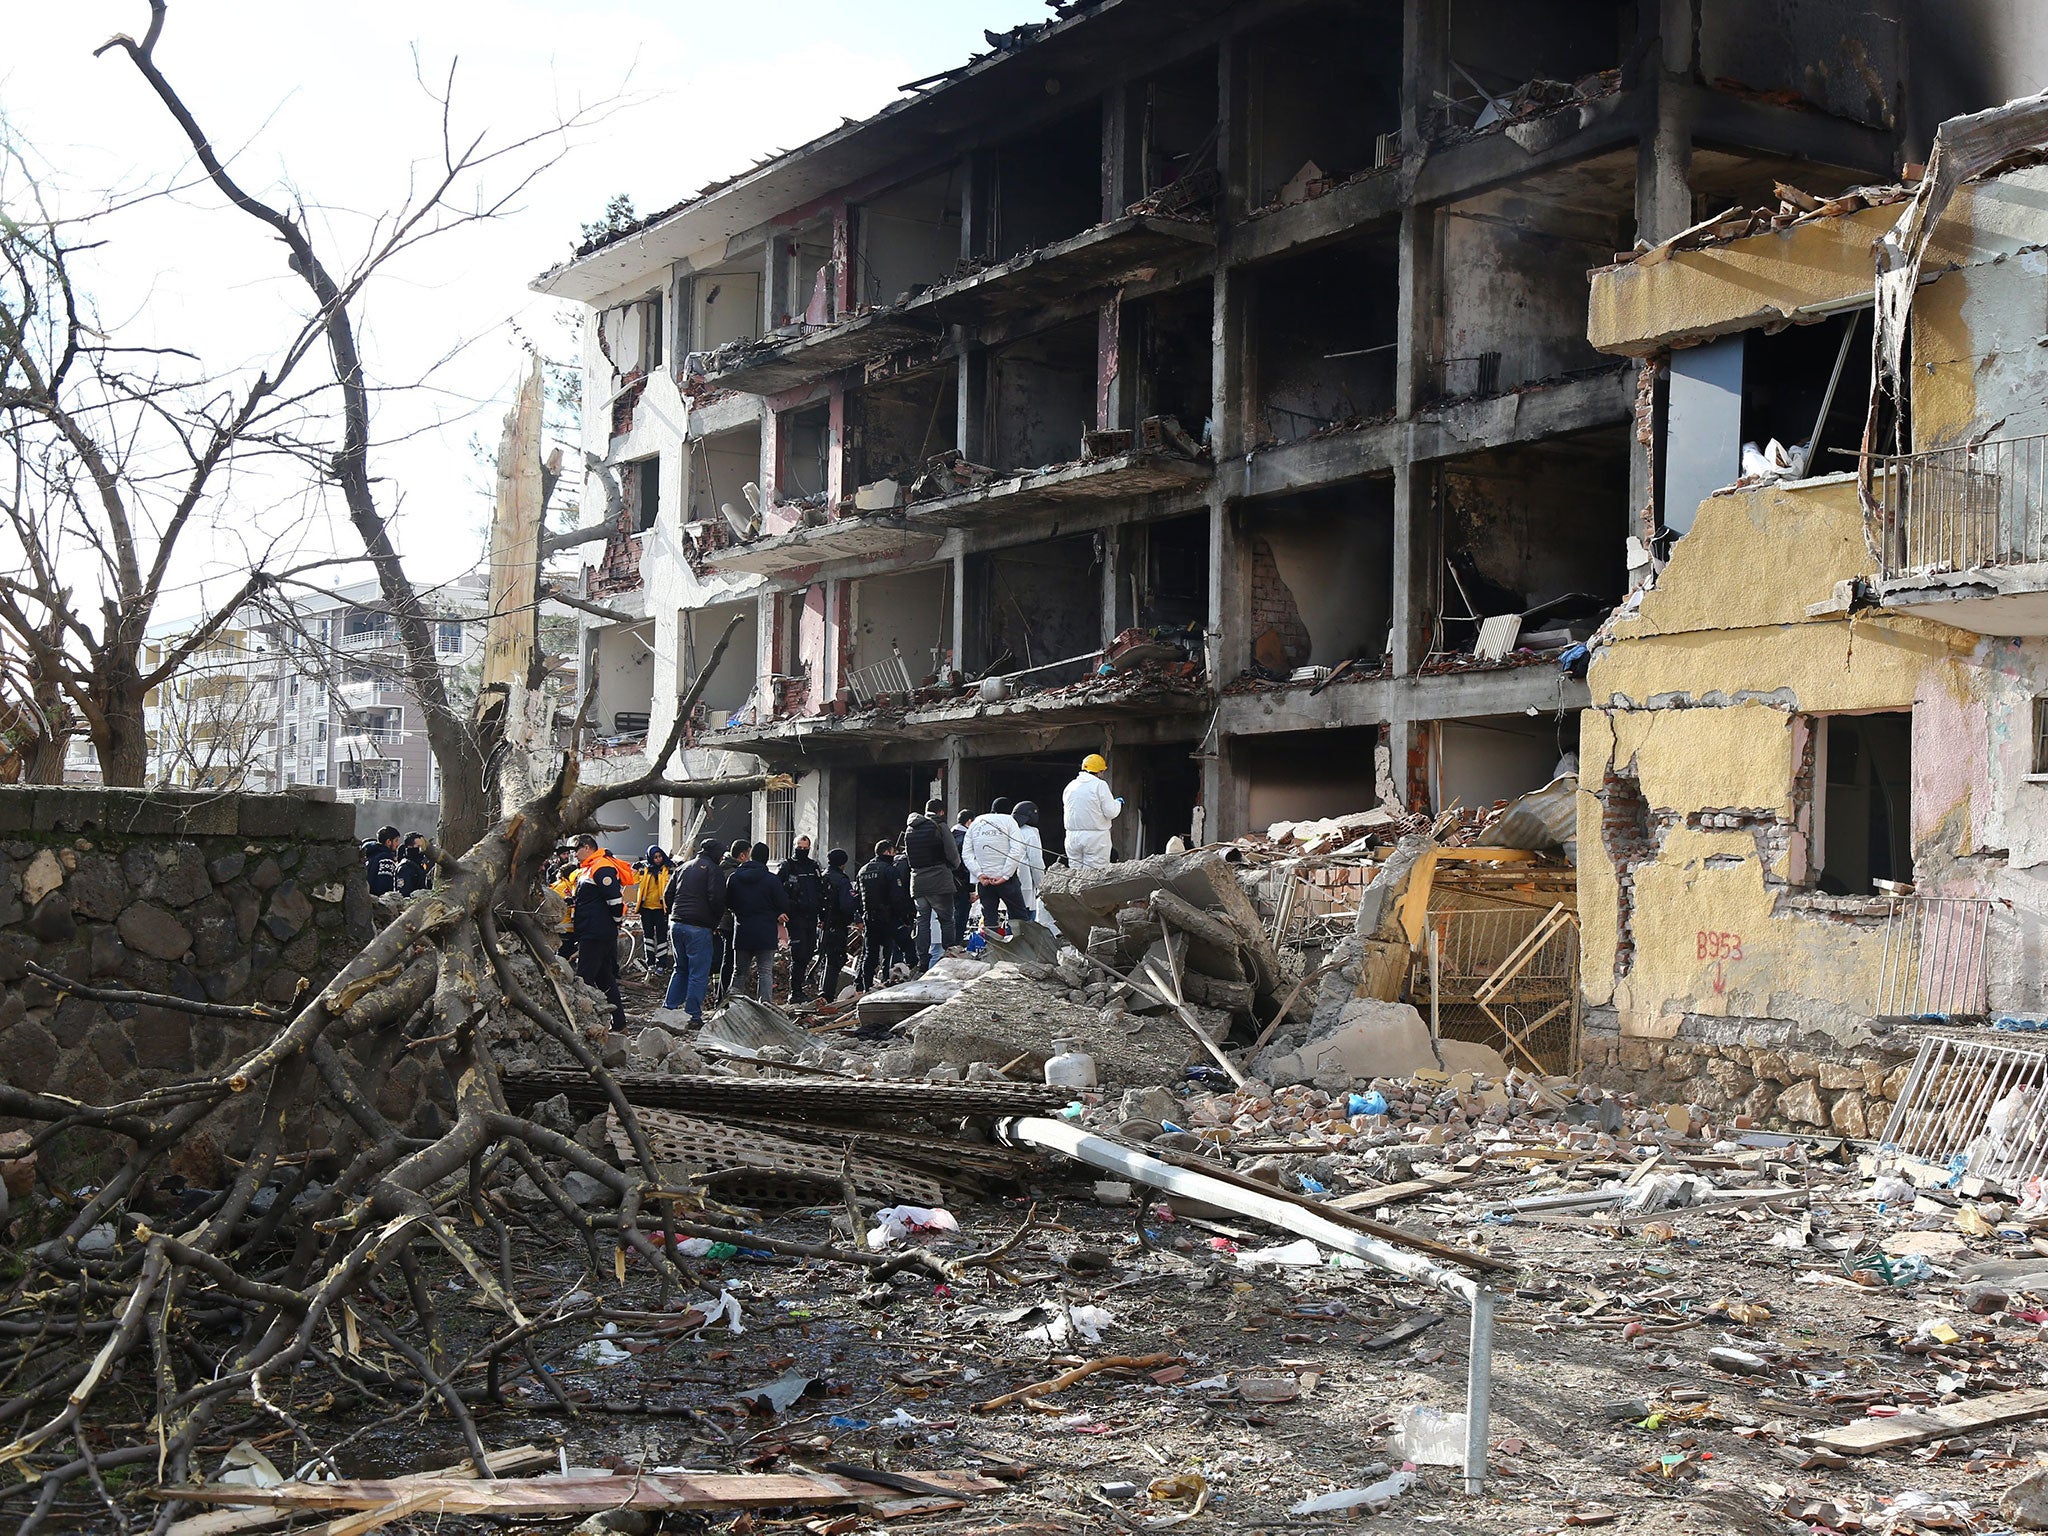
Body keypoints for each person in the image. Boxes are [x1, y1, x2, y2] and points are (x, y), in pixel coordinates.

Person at [660, 838, 726, 1024]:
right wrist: (714, 922)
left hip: (676, 924)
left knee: (680, 968)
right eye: (721, 853)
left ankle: (669, 1009)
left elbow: (667, 894)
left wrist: (673, 913)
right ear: (715, 853)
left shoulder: (683, 867)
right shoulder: (713, 870)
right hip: (699, 927)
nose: (722, 857)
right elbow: (717, 899)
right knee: (699, 972)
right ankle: (692, 1015)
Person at [569, 833, 630, 1029]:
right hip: (594, 929)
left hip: (596, 932)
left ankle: (584, 1022)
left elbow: (613, 899)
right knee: (604, 977)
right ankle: (619, 1022)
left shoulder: (601, 866)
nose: (574, 855)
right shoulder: (589, 868)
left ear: (587, 847)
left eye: (576, 849)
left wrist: (616, 920)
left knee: (585, 977)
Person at [902, 798, 963, 965]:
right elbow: (952, 853)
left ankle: (923, 960)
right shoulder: (939, 825)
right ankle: (949, 955)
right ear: (941, 811)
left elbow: (909, 857)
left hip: (918, 881)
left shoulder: (910, 828)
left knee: (922, 921)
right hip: (939, 880)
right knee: (946, 919)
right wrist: (954, 867)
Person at [724, 840, 786, 1003]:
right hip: (766, 932)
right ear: (766, 859)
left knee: (739, 972)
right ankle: (764, 1007)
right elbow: (782, 903)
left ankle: (732, 1006)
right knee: (764, 972)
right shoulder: (771, 880)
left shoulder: (734, 878)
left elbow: (728, 903)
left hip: (742, 931)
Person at [963, 797, 1027, 934]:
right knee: (1019, 918)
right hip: (1007, 882)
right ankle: (1017, 951)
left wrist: (979, 874)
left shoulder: (976, 823)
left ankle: (992, 951)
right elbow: (1017, 850)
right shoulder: (1009, 821)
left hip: (984, 882)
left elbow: (966, 854)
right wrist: (1005, 875)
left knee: (989, 921)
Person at [777, 836, 825, 1003]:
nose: (803, 850)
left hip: (811, 917)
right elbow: (777, 890)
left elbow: (820, 889)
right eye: (800, 847)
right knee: (798, 954)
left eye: (806, 848)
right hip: (795, 917)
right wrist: (780, 912)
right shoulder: (787, 866)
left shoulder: (813, 866)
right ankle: (795, 991)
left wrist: (822, 914)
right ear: (794, 846)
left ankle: (801, 987)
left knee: (808, 951)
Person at [1062, 752, 1123, 869]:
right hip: (1095, 838)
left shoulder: (1070, 786)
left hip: (1072, 838)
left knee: (1076, 875)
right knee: (1094, 876)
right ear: (1100, 771)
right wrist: (1118, 803)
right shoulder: (1099, 785)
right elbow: (1111, 812)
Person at [857, 840, 904, 991]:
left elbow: (857, 896)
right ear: (888, 852)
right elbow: (897, 897)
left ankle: (866, 986)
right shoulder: (890, 870)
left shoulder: (863, 870)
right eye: (893, 852)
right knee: (889, 950)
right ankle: (886, 981)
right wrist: (902, 916)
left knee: (869, 953)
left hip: (869, 917)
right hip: (887, 917)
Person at [819, 848, 858, 1002]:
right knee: (835, 960)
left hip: (823, 925)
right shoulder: (842, 881)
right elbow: (847, 905)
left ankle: (823, 992)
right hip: (837, 925)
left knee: (826, 958)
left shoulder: (822, 877)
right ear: (843, 863)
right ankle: (827, 995)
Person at [1012, 800, 1048, 924]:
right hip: (1024, 882)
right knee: (1027, 920)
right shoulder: (1031, 833)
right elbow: (1036, 861)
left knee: (1010, 918)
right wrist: (1041, 885)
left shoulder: (1007, 830)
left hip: (1005, 881)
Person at [638, 847, 672, 970]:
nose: (658, 859)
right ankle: (650, 963)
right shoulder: (645, 870)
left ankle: (661, 964)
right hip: (646, 908)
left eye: (659, 856)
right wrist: (635, 869)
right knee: (648, 936)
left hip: (661, 908)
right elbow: (633, 879)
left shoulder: (668, 869)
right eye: (655, 857)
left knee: (662, 936)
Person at [950, 808, 976, 949]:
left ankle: (950, 943)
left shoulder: (948, 835)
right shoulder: (965, 839)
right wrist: (972, 889)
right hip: (961, 884)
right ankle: (957, 943)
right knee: (961, 913)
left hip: (946, 882)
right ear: (969, 822)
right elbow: (966, 866)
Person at [360, 825, 399, 897]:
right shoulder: (386, 858)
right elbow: (385, 883)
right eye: (396, 840)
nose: (398, 844)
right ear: (388, 842)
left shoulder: (370, 855)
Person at [394, 832, 431, 896]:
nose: (422, 850)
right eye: (419, 846)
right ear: (409, 847)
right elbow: (404, 893)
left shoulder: (421, 865)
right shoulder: (405, 868)